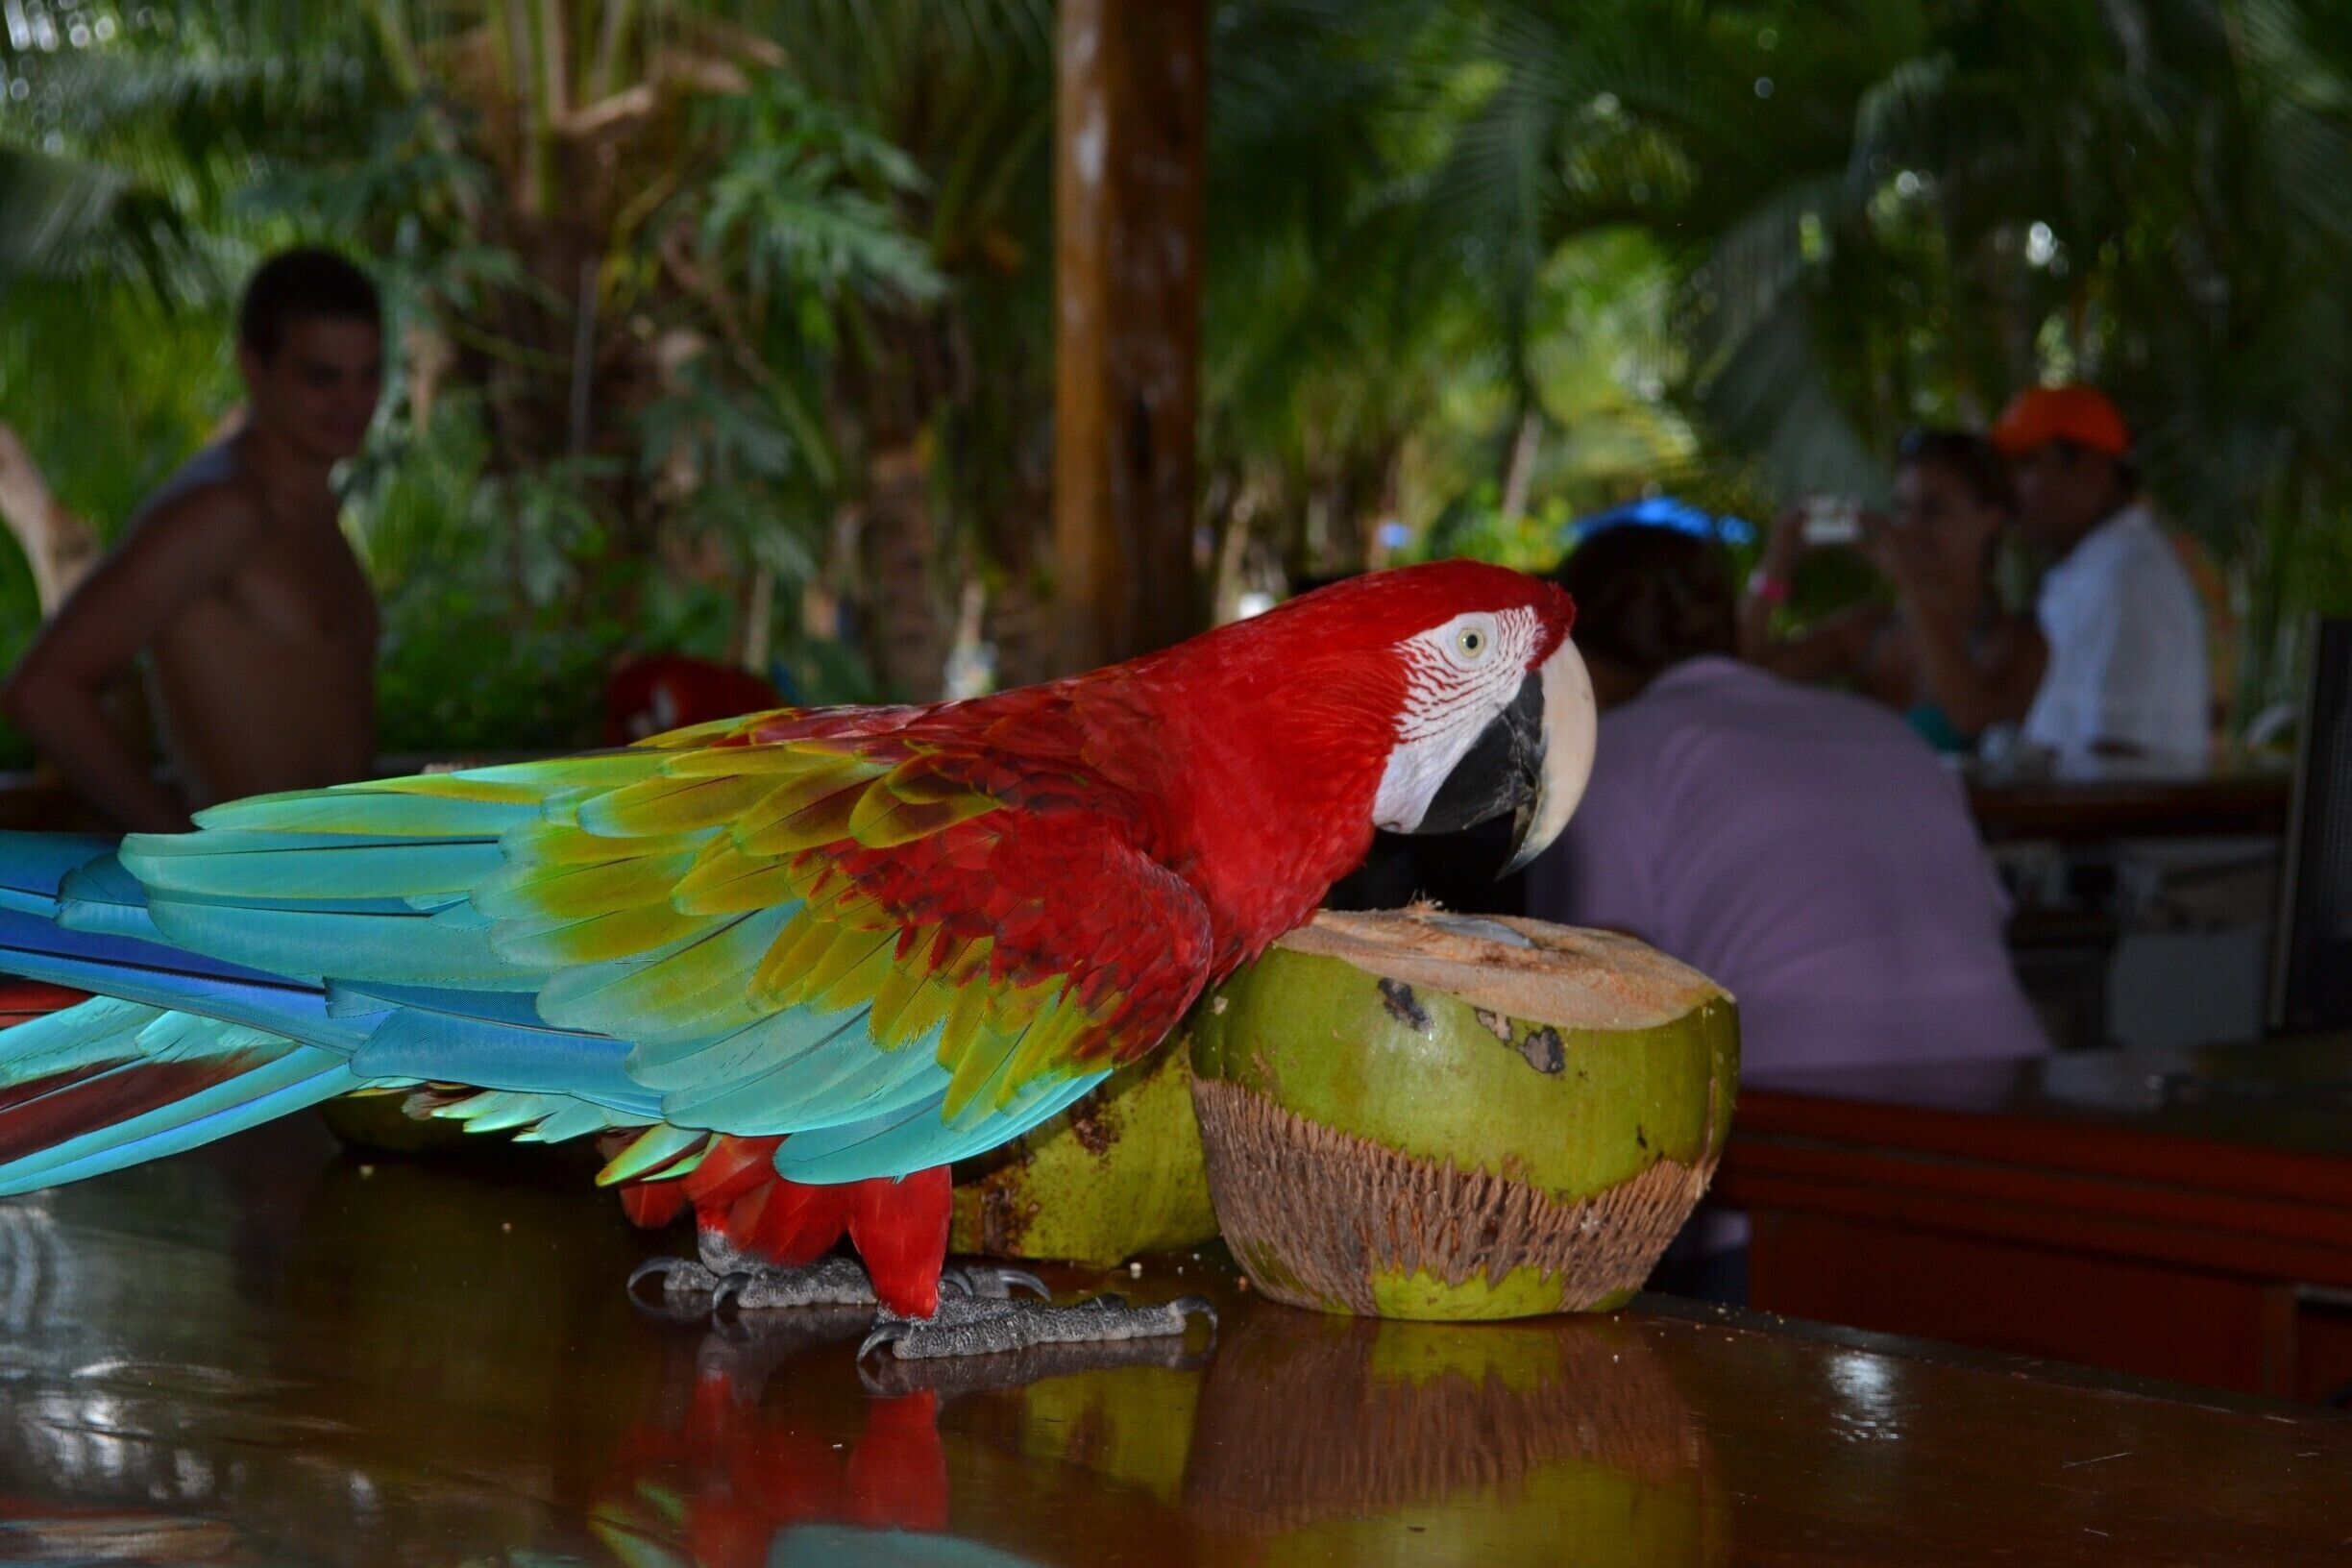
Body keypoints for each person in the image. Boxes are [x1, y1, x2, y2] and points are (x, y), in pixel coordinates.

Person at [1530, 524, 2047, 1075]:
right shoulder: (1888, 732)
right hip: (2006, 1078)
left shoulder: (1611, 753)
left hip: (1789, 1092)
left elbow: (1594, 993)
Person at [2, 249, 384, 830]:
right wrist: (180, 849)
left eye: (369, 375)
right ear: (255, 367)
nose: (351, 403)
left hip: (337, 895)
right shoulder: (224, 508)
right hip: (248, 900)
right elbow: (43, 690)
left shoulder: (312, 511)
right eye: (322, 377)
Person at [1739, 429, 2046, 755]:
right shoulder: (1865, 633)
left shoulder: (2021, 645)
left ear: (1991, 519)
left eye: (1932, 510)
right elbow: (1738, 672)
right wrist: (1775, 564)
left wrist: (1909, 584)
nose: (1909, 527)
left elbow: (1971, 719)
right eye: (1901, 508)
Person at [1989, 384, 2209, 775]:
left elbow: (2116, 763)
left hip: (2123, 834)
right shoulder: (2093, 568)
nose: (2007, 488)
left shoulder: (2130, 578)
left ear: (2092, 468)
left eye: (2026, 464)